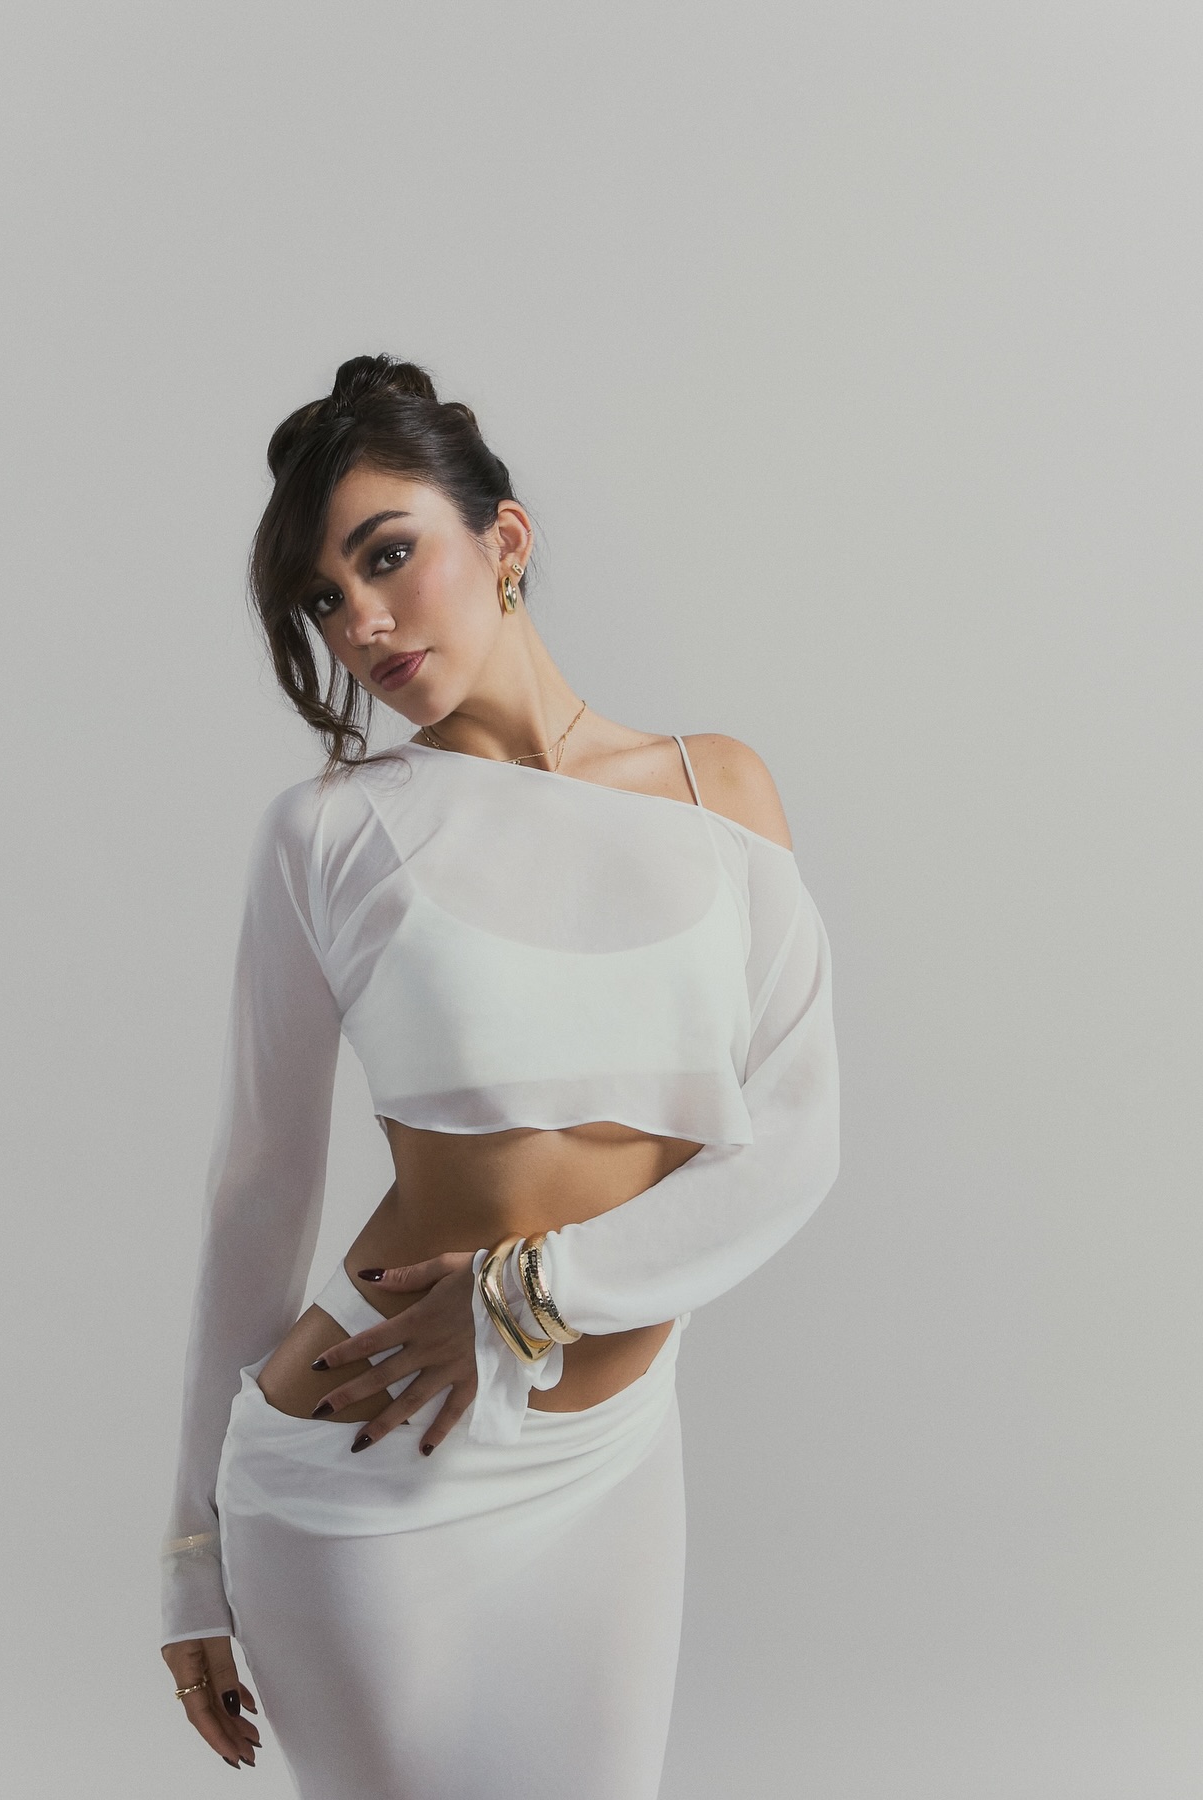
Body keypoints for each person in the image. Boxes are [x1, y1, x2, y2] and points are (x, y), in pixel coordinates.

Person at [157, 354, 841, 1798]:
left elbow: (793, 1141)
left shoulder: (719, 795)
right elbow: (257, 1193)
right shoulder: (329, 834)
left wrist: (522, 1296)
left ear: (506, 540)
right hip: (364, 1467)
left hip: (611, 1462)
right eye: (323, 601)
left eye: (386, 555)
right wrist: (188, 1557)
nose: (362, 623)